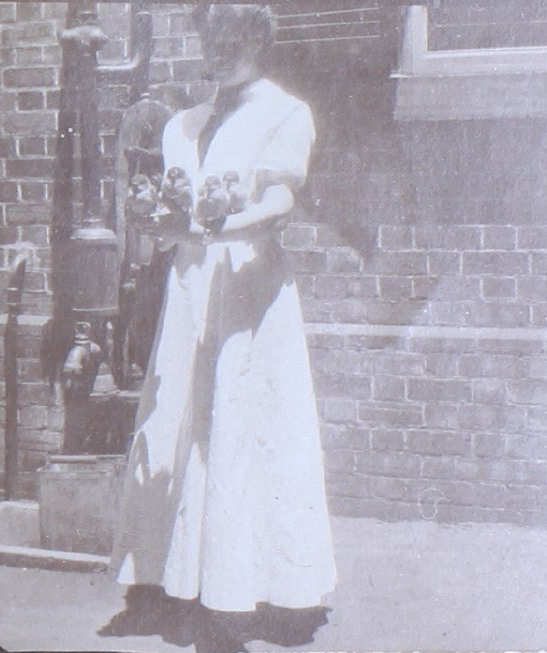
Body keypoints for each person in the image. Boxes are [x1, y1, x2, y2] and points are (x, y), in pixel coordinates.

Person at [111, 3, 336, 618]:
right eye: (209, 36)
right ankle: (180, 576)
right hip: (189, 292)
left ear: (258, 39)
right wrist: (155, 225)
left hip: (247, 290)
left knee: (243, 421)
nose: (217, 49)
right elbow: (169, 221)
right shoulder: (181, 125)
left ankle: (252, 586)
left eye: (232, 38)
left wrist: (218, 232)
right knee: (180, 420)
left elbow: (281, 204)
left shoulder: (286, 114)